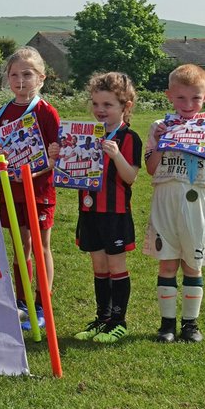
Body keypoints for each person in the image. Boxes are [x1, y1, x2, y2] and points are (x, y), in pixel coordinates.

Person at [144, 63, 205, 343]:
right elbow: (151, 169)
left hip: (197, 200)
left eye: (196, 97)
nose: (188, 104)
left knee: (193, 264)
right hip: (166, 198)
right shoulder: (159, 126)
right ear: (169, 96)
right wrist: (160, 143)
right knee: (167, 263)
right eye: (181, 98)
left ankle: (190, 324)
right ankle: (167, 324)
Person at [0, 47, 61, 329]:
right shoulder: (0, 113)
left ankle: (42, 304)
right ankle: (22, 301)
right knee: (20, 246)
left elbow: (55, 157)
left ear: (41, 78)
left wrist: (35, 171)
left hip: (39, 191)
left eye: (27, 75)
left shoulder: (46, 112)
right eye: (14, 75)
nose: (20, 81)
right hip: (12, 190)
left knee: (41, 247)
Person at [73, 72, 142, 344]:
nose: (100, 110)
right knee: (99, 267)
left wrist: (115, 155)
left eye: (108, 105)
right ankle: (101, 319)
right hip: (89, 211)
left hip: (115, 213)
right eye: (96, 104)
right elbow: (69, 171)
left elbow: (131, 177)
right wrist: (60, 155)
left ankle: (118, 321)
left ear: (126, 107)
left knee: (116, 266)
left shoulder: (129, 138)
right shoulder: (86, 136)